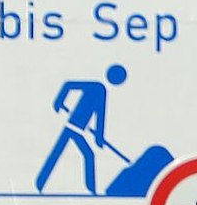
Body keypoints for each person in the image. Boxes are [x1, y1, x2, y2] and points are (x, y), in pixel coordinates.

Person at [35, 65, 129, 193]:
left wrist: (99, 137)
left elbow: (100, 115)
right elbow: (68, 85)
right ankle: (40, 183)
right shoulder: (96, 87)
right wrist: (59, 101)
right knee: (81, 155)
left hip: (77, 130)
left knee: (67, 153)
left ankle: (41, 183)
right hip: (72, 127)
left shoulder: (101, 91)